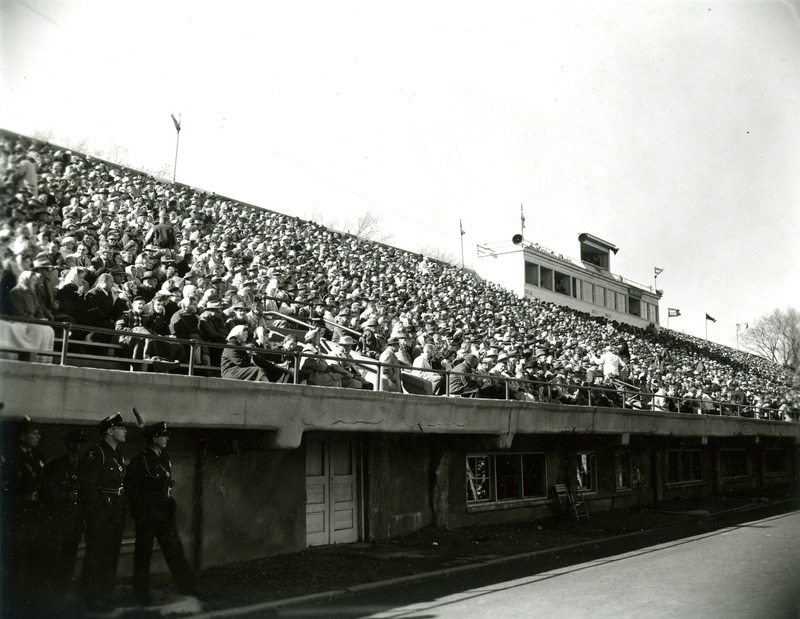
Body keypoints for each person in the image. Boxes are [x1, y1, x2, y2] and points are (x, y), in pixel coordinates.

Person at [126, 422, 196, 605]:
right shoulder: (139, 461)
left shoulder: (164, 457)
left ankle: (188, 588)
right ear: (154, 438)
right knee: (143, 556)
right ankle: (141, 596)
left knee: (175, 551)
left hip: (164, 514)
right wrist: (142, 513)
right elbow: (132, 491)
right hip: (148, 516)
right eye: (163, 436)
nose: (167, 438)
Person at [78, 412, 128, 611]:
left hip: (115, 510)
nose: (125, 431)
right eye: (120, 428)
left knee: (111, 553)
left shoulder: (116, 454)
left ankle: (105, 595)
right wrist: (98, 511)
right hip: (101, 512)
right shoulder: (95, 453)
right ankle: (91, 598)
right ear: (109, 431)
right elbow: (87, 486)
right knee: (96, 555)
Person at [0, 416, 47, 616]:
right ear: (21, 436)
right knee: (15, 557)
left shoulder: (36, 456)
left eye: (38, 432)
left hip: (33, 514)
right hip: (16, 514)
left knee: (33, 556)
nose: (38, 436)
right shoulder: (10, 457)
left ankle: (28, 600)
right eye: (33, 433)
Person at [40, 429, 87, 596]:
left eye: (82, 444)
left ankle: (63, 587)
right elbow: (47, 492)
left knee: (70, 553)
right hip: (59, 517)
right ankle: (49, 589)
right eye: (77, 444)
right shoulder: (56, 465)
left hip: (75, 518)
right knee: (54, 553)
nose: (80, 447)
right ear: (69, 445)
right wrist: (66, 496)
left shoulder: (84, 466)